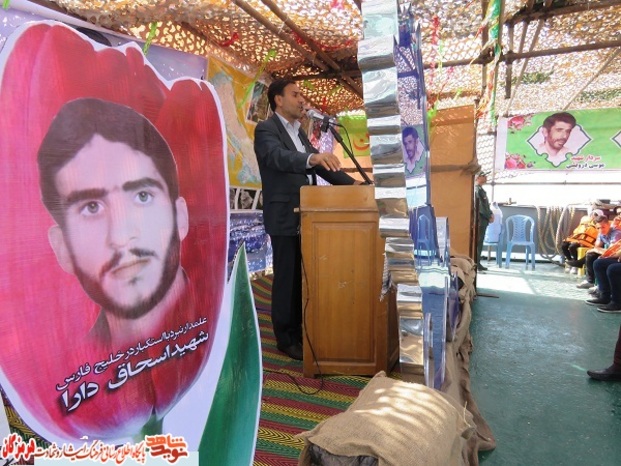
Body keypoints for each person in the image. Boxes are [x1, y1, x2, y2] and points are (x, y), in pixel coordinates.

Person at [38, 98, 191, 349]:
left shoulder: (228, 323)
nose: (120, 236)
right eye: (91, 207)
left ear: (180, 216)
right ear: (62, 248)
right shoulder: (72, 365)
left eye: (142, 196)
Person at [253, 78, 360, 360]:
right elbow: (277, 157)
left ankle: (299, 330)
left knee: (301, 277)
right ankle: (285, 338)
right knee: (286, 277)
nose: (302, 100)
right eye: (295, 94)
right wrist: (311, 159)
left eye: (301, 94)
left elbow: (321, 165)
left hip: (306, 215)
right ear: (278, 99)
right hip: (284, 214)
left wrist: (355, 186)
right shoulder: (266, 129)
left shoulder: (298, 133)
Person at [572, 215, 621, 290]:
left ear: (608, 224)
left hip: (617, 255)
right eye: (598, 228)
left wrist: (596, 250)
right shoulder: (601, 232)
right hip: (610, 252)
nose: (601, 230)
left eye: (603, 227)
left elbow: (611, 251)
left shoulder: (616, 233)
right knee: (590, 255)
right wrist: (596, 250)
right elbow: (597, 246)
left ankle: (601, 286)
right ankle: (590, 281)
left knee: (599, 261)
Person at [474, 171, 494, 272]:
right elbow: (481, 207)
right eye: (483, 176)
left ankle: (477, 262)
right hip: (480, 220)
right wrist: (488, 216)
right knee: (478, 242)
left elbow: (486, 205)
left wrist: (490, 213)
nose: (485, 177)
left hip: (483, 219)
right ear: (477, 178)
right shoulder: (477, 190)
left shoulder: (481, 190)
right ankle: (476, 263)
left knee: (480, 241)